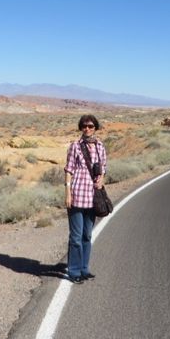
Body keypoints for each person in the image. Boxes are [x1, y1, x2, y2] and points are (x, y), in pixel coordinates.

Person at [64, 114, 107, 284]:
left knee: (87, 235)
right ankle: (73, 271)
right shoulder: (75, 146)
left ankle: (84, 268)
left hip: (93, 198)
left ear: (95, 127)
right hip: (76, 196)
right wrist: (67, 192)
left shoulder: (100, 147)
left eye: (90, 126)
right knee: (75, 237)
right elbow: (68, 170)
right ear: (81, 127)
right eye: (84, 126)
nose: (87, 129)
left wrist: (102, 178)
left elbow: (103, 167)